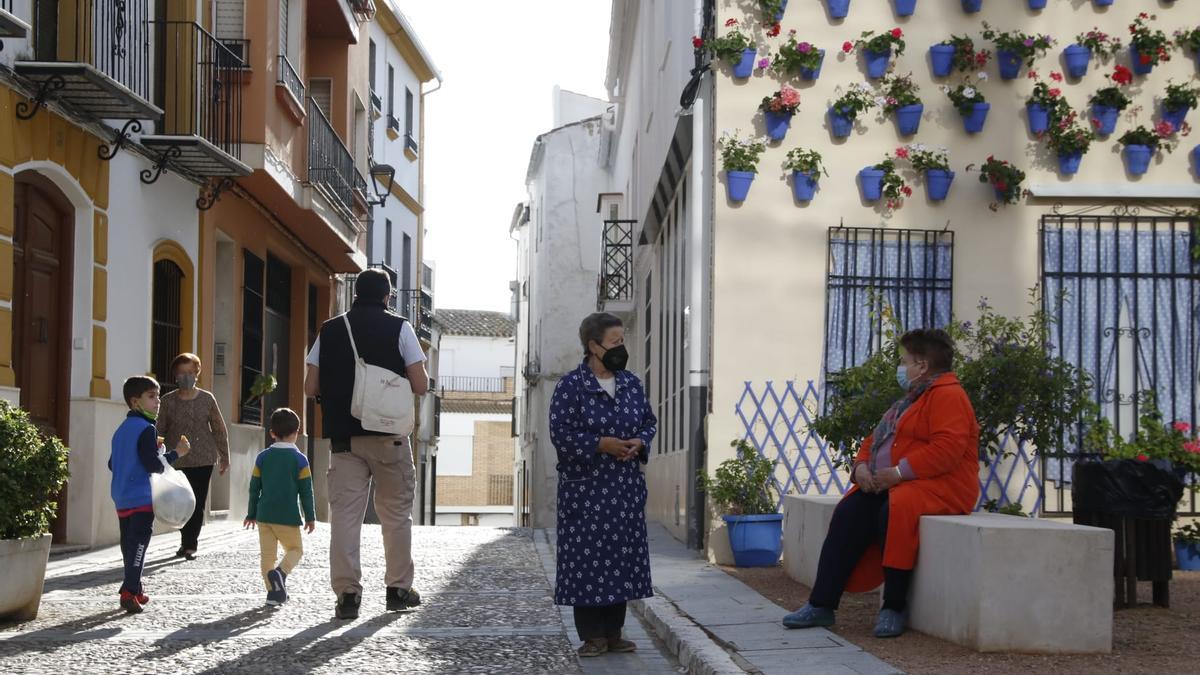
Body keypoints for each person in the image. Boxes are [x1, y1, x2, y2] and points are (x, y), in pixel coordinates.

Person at [782, 329, 980, 638]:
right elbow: (876, 439)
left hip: (942, 486)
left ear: (923, 366)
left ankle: (894, 606)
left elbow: (947, 451)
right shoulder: (912, 399)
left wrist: (899, 473)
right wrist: (861, 467)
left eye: (905, 361)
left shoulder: (948, 395)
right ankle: (821, 605)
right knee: (851, 510)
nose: (902, 368)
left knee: (895, 511)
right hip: (900, 482)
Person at [304, 268, 429, 620]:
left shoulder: (329, 330)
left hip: (344, 438)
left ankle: (347, 595)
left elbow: (309, 387)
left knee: (345, 517)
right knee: (395, 515)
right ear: (388, 295)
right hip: (389, 436)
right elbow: (420, 385)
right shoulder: (400, 328)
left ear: (355, 293)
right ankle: (398, 589)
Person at [549, 312, 657, 658]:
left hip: (624, 490)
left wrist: (639, 442)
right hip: (587, 491)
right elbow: (561, 435)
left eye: (622, 342)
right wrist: (601, 444)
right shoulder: (570, 387)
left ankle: (613, 632)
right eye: (615, 342)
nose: (620, 348)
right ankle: (592, 635)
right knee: (587, 560)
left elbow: (648, 422)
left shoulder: (631, 384)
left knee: (621, 560)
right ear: (594, 347)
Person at [108, 375, 191, 614]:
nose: (158, 402)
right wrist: (177, 453)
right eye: (152, 397)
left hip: (121, 497)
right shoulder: (146, 429)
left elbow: (112, 464)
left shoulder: (121, 430)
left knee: (128, 545)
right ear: (135, 402)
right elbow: (153, 465)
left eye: (158, 397)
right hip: (141, 498)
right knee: (140, 545)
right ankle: (129, 590)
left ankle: (137, 588)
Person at [157, 352, 230, 560]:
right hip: (176, 459)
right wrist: (157, 454)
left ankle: (190, 545)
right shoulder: (168, 401)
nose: (186, 376)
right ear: (175, 375)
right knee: (180, 502)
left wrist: (225, 456)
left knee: (197, 503)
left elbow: (218, 428)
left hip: (203, 458)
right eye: (182, 372)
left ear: (197, 373)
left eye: (190, 372)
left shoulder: (207, 399)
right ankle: (184, 539)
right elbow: (159, 429)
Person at [244, 408, 316, 606]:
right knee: (295, 550)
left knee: (267, 556)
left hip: (264, 515)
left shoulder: (263, 457)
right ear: (297, 433)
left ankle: (273, 592)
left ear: (272, 433)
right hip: (287, 516)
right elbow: (306, 491)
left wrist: (251, 513)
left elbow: (253, 488)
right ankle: (280, 573)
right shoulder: (300, 460)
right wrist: (310, 516)